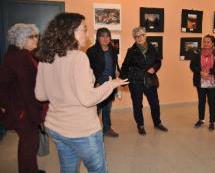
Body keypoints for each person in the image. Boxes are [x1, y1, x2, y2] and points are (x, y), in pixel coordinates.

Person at [34, 13, 128, 173]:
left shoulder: (46, 57)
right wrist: (111, 84)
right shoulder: (79, 57)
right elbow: (87, 99)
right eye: (83, 29)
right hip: (81, 130)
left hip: (56, 127)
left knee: (68, 169)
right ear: (70, 31)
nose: (87, 34)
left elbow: (40, 95)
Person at [0, 24, 45, 173]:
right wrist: (36, 113)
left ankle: (29, 169)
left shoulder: (15, 54)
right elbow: (29, 89)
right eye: (32, 36)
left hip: (18, 107)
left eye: (36, 36)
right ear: (21, 39)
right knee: (30, 143)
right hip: (22, 109)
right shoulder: (21, 57)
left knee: (27, 143)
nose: (36, 39)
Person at [120, 26, 168, 135]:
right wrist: (123, 79)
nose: (139, 38)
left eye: (141, 35)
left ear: (145, 36)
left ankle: (157, 123)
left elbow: (158, 61)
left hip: (150, 79)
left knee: (155, 103)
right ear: (134, 38)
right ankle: (140, 125)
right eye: (136, 37)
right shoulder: (131, 51)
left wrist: (154, 68)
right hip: (136, 80)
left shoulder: (153, 48)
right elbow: (125, 65)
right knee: (137, 104)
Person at [86, 27, 120, 137]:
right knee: (95, 109)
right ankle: (92, 131)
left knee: (107, 108)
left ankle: (107, 128)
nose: (105, 38)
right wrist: (94, 83)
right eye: (102, 36)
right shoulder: (91, 51)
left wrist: (117, 73)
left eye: (107, 36)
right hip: (97, 84)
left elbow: (115, 64)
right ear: (98, 38)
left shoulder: (113, 49)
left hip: (109, 84)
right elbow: (87, 69)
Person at [190, 34, 215, 131]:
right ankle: (201, 120)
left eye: (208, 42)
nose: (205, 43)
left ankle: (212, 122)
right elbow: (192, 66)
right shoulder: (197, 52)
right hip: (200, 81)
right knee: (201, 101)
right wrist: (200, 72)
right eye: (204, 41)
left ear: (213, 43)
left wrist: (209, 72)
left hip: (213, 82)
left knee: (211, 102)